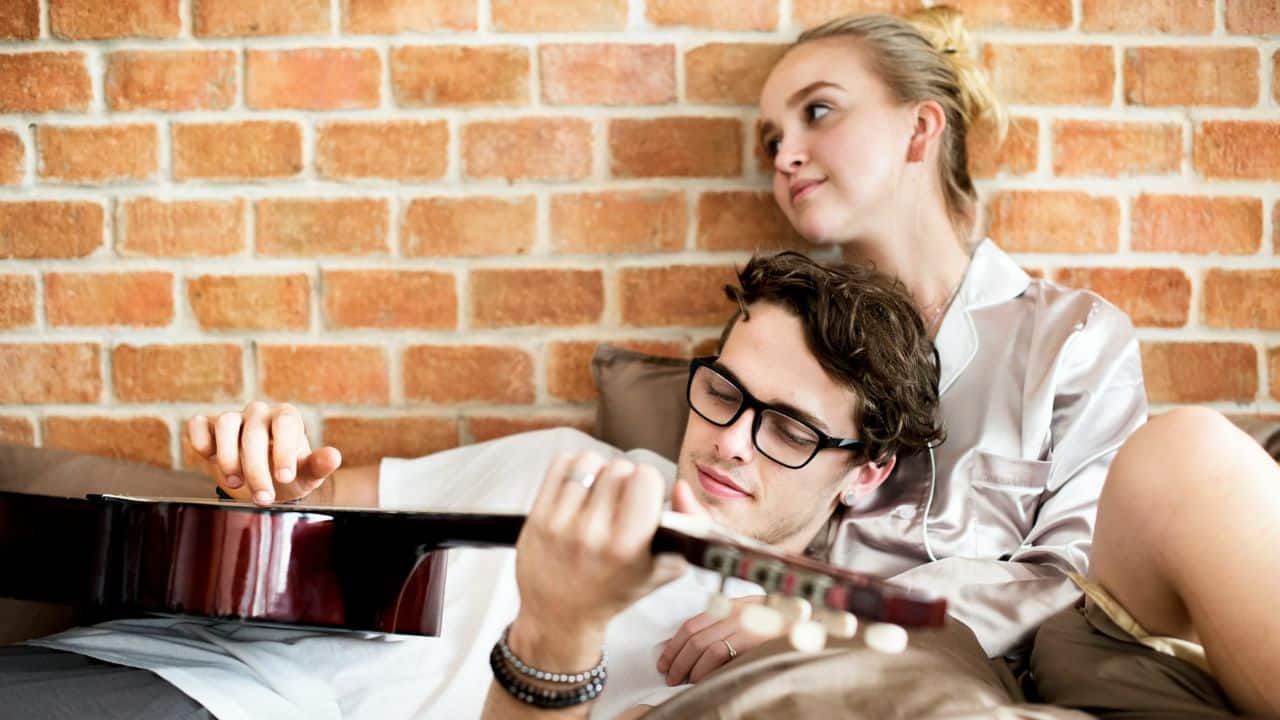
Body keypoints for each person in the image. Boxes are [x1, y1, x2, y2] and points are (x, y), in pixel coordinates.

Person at [1, 252, 946, 719]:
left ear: (865, 471)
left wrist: (804, 629)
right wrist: (263, 466)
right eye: (724, 393)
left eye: (784, 428)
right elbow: (292, 508)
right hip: (149, 664)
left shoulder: (795, 646)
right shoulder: (567, 459)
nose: (730, 442)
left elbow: (956, 637)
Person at [664, 6, 1149, 665]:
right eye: (772, 140)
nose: (785, 157)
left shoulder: (1073, 338)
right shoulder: (774, 346)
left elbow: (1082, 578)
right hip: (797, 672)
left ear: (920, 130)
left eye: (819, 112)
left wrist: (827, 607)